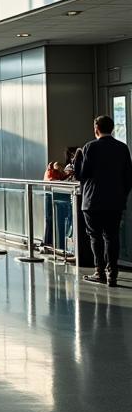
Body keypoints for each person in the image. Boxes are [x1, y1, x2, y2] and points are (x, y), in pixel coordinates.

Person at [74, 114, 132, 287]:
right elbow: (128, 177)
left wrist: (78, 158)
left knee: (95, 237)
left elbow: (81, 175)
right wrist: (121, 196)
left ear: (96, 129)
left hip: (92, 202)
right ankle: (112, 273)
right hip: (115, 202)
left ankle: (99, 272)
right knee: (112, 237)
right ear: (112, 128)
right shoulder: (122, 148)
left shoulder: (89, 147)